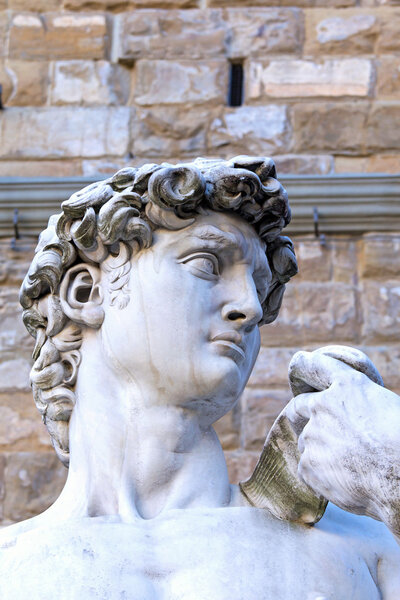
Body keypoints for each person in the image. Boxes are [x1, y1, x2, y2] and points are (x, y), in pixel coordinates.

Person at [0, 156, 399, 599]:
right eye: (207, 264)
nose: (250, 307)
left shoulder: (366, 550)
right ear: (88, 293)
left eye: (261, 287)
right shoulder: (10, 569)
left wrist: (393, 469)